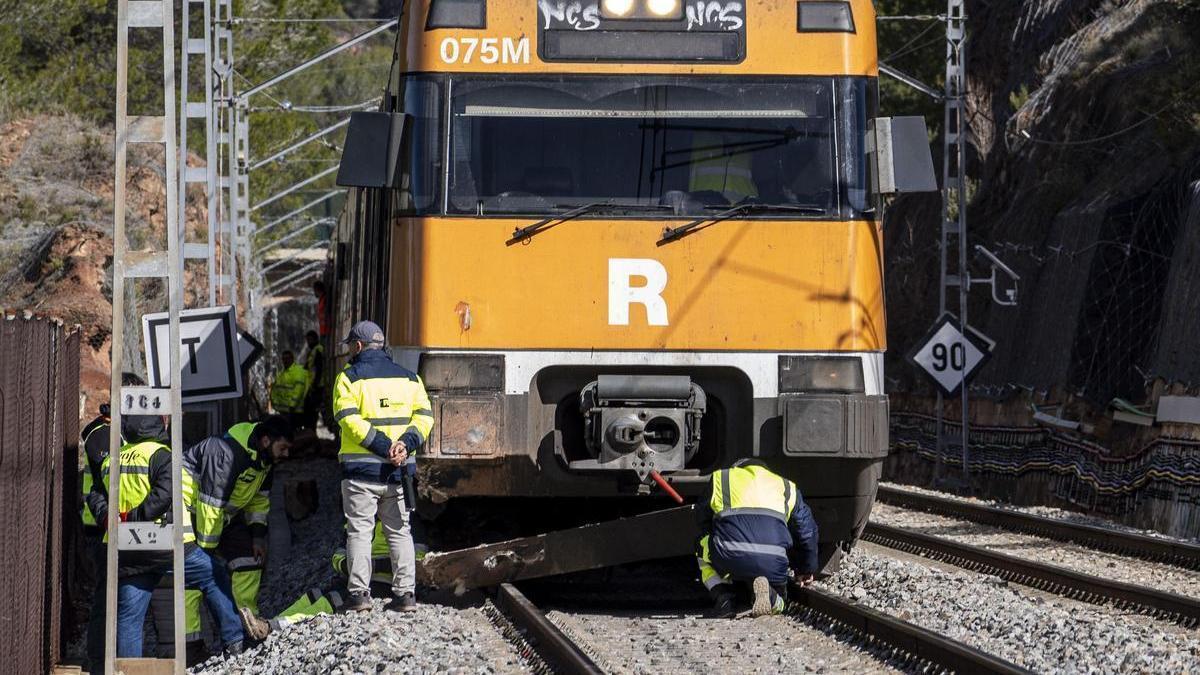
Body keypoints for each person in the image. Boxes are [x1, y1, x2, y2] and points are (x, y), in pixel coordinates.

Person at [333, 320, 433, 612]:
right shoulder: (411, 379)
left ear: (359, 346)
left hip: (361, 473)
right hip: (398, 471)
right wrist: (404, 444)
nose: (350, 351)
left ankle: (359, 596)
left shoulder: (348, 379)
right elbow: (425, 418)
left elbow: (348, 419)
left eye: (351, 346)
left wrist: (382, 446)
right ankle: (405, 596)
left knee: (360, 532)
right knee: (401, 532)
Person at [179, 416, 294, 657]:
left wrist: (258, 538)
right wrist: (206, 552)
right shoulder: (226, 453)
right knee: (193, 572)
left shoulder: (264, 461)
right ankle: (190, 644)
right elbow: (210, 506)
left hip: (221, 515)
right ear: (265, 440)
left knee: (249, 560)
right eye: (282, 448)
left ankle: (247, 626)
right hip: (190, 512)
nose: (286, 455)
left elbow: (259, 501)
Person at [83, 413, 172, 664]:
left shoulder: (128, 437)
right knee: (107, 603)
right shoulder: (102, 434)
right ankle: (101, 663)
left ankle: (116, 662)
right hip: (105, 533)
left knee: (124, 608)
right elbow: (99, 489)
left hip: (127, 534)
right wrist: (112, 518)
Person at [695, 458, 819, 618]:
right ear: (766, 470)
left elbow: (701, 517)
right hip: (773, 560)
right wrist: (806, 569)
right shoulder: (786, 486)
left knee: (700, 545)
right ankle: (773, 598)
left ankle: (724, 598)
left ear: (737, 468)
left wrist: (719, 533)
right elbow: (806, 531)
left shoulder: (722, 477)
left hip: (729, 554)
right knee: (780, 597)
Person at [239, 522, 392, 639]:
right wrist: (349, 565)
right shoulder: (357, 519)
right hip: (354, 578)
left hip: (383, 584)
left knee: (332, 599)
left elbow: (412, 563)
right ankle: (271, 623)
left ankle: (272, 627)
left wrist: (367, 566)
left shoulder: (397, 521)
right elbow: (338, 556)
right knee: (313, 594)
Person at [270, 350, 309, 428]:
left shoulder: (298, 371)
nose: (285, 361)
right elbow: (275, 389)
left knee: (293, 432)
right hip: (284, 411)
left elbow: (298, 391)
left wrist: (292, 406)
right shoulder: (282, 374)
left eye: (287, 358)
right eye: (283, 359)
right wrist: (274, 402)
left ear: (292, 359)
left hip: (294, 411)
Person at [302, 330, 326, 430]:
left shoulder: (318, 350)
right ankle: (310, 432)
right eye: (307, 340)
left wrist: (314, 385)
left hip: (316, 387)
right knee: (309, 412)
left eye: (310, 340)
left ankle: (311, 432)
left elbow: (319, 368)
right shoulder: (313, 351)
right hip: (312, 386)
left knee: (311, 413)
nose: (308, 342)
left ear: (316, 339)